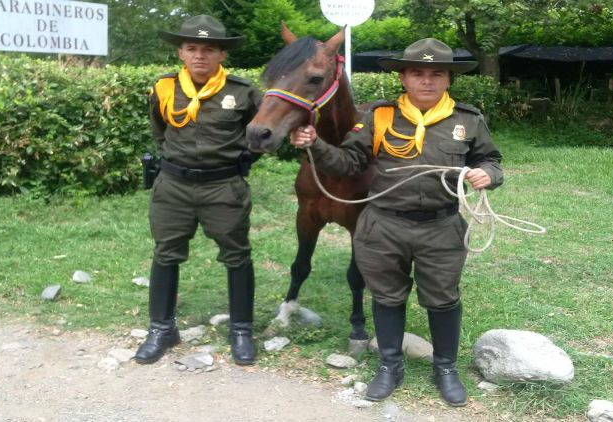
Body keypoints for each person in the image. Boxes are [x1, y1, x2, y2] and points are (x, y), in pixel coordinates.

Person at [289, 38, 504, 406]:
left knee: (442, 297)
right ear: (403, 78)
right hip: (384, 224)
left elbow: (491, 159)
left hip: (441, 225)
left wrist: (489, 174)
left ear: (448, 79)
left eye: (436, 73)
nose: (427, 81)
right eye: (417, 73)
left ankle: (445, 368)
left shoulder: (468, 120)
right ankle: (390, 366)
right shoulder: (379, 117)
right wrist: (316, 146)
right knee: (387, 295)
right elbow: (349, 163)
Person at [135, 15, 261, 366]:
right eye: (192, 48)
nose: (199, 56)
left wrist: (238, 162)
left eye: (209, 49)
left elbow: (261, 137)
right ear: (180, 52)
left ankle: (241, 330)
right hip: (173, 186)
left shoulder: (242, 92)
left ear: (222, 54)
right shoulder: (163, 88)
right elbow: (160, 132)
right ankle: (161, 329)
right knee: (166, 253)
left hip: (224, 187)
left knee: (236, 255)